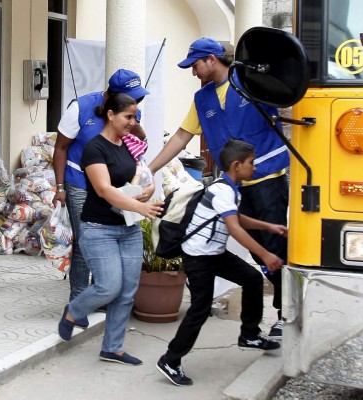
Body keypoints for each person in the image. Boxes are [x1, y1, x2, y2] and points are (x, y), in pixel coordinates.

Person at [148, 38, 289, 339]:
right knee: (258, 253)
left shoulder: (251, 81)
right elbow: (182, 136)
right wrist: (150, 168)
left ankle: (285, 314)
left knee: (276, 249)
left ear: (212, 59)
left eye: (195, 65)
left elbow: (289, 103)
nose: (193, 72)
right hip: (236, 188)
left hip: (267, 180)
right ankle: (277, 313)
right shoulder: (203, 99)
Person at [156, 139, 287, 386]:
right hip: (198, 257)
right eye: (251, 163)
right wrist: (266, 254)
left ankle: (249, 334)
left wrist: (269, 226)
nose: (255, 168)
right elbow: (235, 229)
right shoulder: (221, 190)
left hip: (213, 254)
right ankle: (170, 360)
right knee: (200, 309)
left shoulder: (229, 188)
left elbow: (236, 217)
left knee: (251, 279)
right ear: (237, 165)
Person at [57, 93, 164, 366]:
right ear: (111, 115)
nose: (133, 122)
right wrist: (139, 207)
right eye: (128, 117)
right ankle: (74, 310)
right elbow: (104, 190)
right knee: (108, 286)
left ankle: (112, 348)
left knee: (128, 290)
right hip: (98, 227)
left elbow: (145, 178)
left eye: (135, 117)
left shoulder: (130, 145)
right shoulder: (95, 148)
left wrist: (146, 192)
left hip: (127, 228)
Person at [53, 69, 150, 314]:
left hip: (113, 186)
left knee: (107, 237)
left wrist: (134, 122)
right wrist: (60, 187)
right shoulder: (81, 107)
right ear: (112, 97)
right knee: (85, 240)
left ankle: (101, 295)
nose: (136, 104)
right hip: (79, 182)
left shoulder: (128, 113)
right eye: (131, 98)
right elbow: (61, 148)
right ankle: (77, 300)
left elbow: (139, 139)